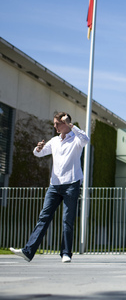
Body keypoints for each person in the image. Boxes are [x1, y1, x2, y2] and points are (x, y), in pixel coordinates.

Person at [10, 112, 90, 263]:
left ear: (66, 123)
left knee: (67, 220)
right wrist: (38, 148)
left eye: (57, 123)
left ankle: (66, 253)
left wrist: (71, 125)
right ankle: (28, 251)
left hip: (71, 184)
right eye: (54, 123)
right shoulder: (54, 141)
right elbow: (38, 154)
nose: (55, 126)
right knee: (43, 218)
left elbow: (86, 139)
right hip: (54, 185)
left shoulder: (76, 139)